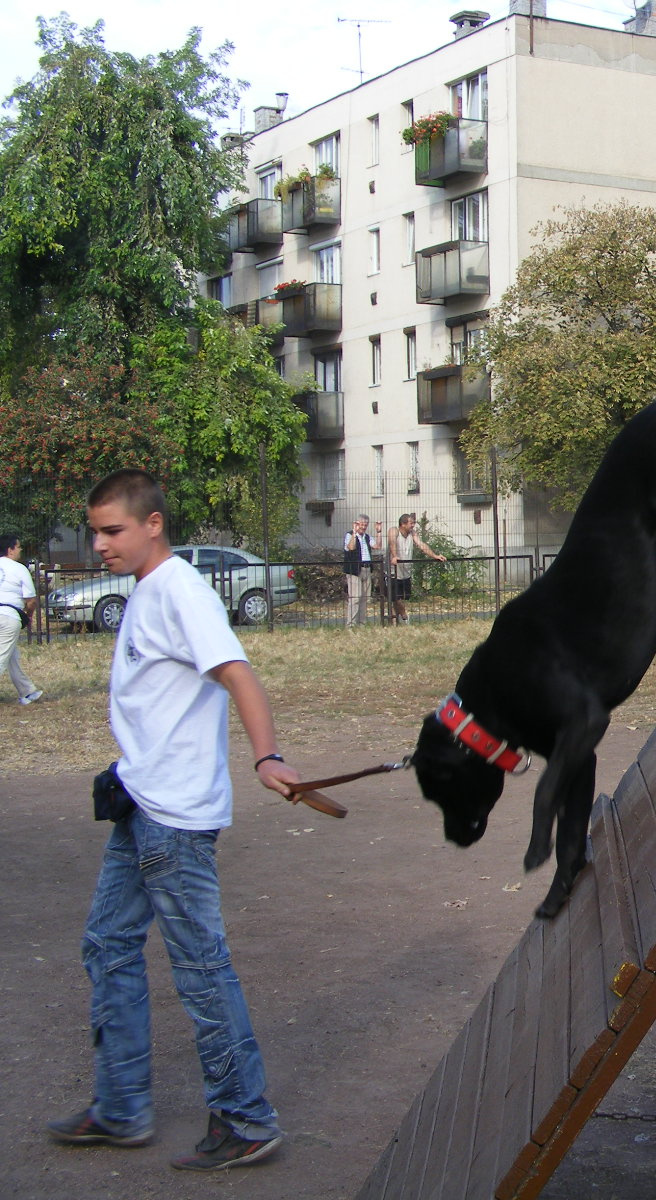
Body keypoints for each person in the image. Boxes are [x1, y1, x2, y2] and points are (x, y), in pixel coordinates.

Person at [47, 470, 302, 1171]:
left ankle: (246, 1118)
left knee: (200, 967)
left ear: (153, 523)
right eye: (95, 530)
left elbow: (237, 673)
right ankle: (123, 1107)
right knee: (107, 943)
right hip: (141, 807)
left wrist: (267, 756)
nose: (99, 543)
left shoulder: (181, 589)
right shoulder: (148, 592)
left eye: (112, 530)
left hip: (175, 821)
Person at [0, 534, 44, 704]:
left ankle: (27, 691)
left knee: (11, 656)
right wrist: (28, 615)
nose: (20, 550)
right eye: (18, 547)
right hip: (9, 617)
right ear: (10, 550)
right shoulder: (19, 569)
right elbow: (31, 601)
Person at [387, 513, 447, 624]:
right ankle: (403, 617)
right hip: (394, 571)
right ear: (403, 524)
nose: (413, 525)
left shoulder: (412, 533)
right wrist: (395, 556)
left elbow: (421, 545)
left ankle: (395, 622)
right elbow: (392, 543)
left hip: (406, 572)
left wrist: (435, 556)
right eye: (411, 523)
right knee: (396, 597)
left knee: (401, 598)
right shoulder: (394, 531)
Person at [343, 514, 376, 628]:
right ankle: (351, 624)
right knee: (355, 598)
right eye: (361, 524)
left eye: (365, 525)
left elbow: (377, 546)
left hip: (366, 568)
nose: (363, 527)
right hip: (354, 570)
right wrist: (354, 532)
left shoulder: (367, 537)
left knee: (364, 598)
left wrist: (379, 532)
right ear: (357, 524)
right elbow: (351, 548)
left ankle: (362, 623)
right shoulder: (349, 535)